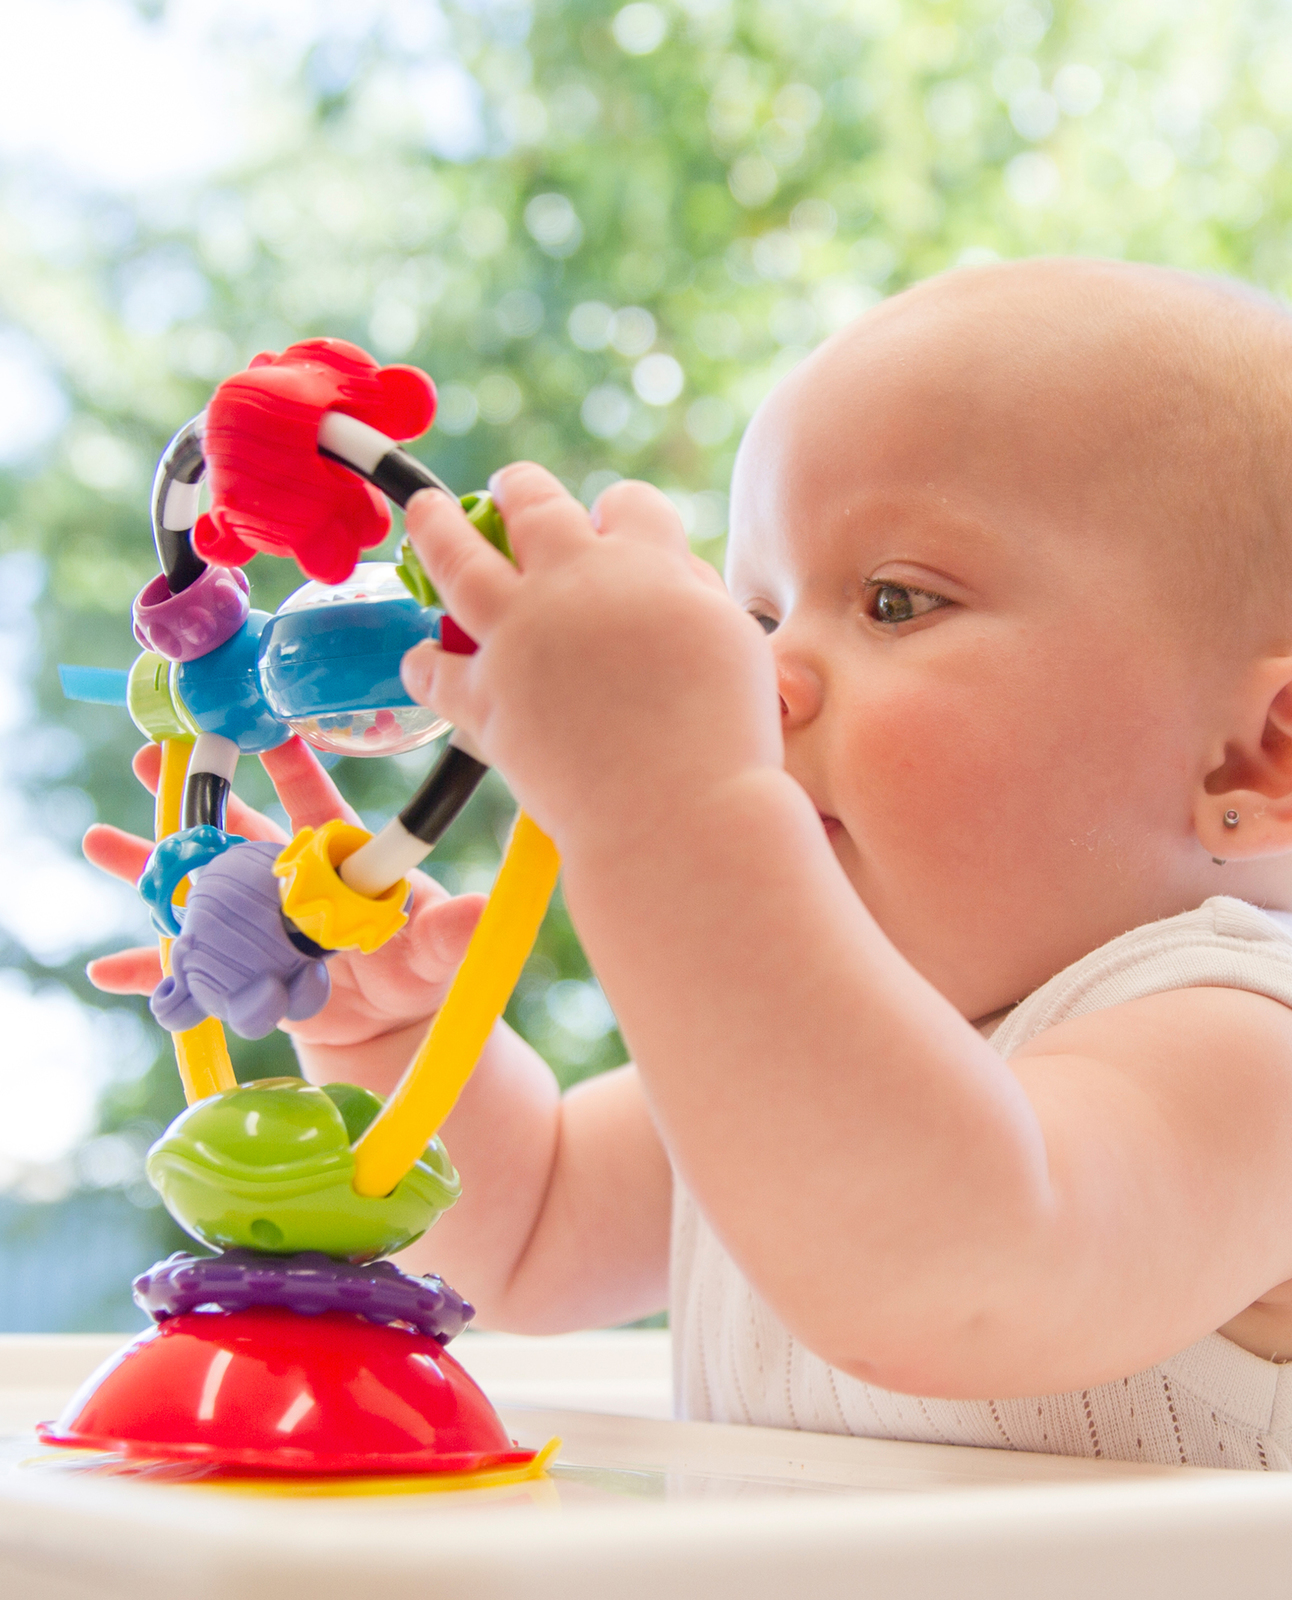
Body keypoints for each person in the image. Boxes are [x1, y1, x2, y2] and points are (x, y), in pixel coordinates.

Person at [87, 257, 1292, 1469]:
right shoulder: (790, 1058)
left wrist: (677, 801)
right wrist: (386, 1030)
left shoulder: (1244, 1047)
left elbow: (959, 1273)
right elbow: (528, 1234)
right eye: (755, 619)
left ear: (1259, 759)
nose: (753, 679)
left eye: (892, 602)